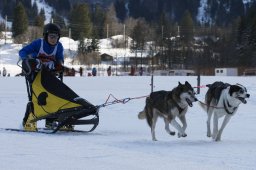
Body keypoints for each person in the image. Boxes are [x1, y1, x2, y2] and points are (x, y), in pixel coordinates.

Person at [19, 23, 67, 131]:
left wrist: (58, 65)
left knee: (53, 98)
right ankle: (28, 121)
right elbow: (22, 52)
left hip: (50, 76)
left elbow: (60, 59)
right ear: (46, 35)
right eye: (51, 36)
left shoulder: (59, 46)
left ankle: (50, 122)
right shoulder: (38, 43)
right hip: (35, 75)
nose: (54, 39)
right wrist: (29, 60)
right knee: (37, 98)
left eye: (56, 36)